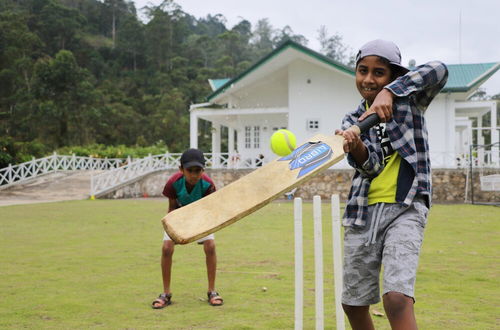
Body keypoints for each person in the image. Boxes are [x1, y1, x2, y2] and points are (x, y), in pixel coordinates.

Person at [335, 39, 448, 329]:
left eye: (379, 72)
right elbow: (370, 166)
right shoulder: (352, 118)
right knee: (353, 303)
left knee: (397, 298)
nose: (368, 79)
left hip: (407, 207)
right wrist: (356, 145)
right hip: (363, 213)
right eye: (363, 70)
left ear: (393, 75)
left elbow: (439, 69)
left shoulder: (411, 101)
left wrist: (390, 92)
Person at [152, 148, 223, 309]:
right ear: (181, 170)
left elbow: (209, 211)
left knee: (210, 246)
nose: (194, 175)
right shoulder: (173, 183)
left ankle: (212, 291)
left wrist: (197, 230)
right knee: (166, 248)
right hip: (178, 218)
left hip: (201, 218)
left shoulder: (208, 185)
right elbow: (171, 209)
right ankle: (166, 294)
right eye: (189, 170)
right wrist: (177, 233)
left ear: (203, 170)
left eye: (198, 170)